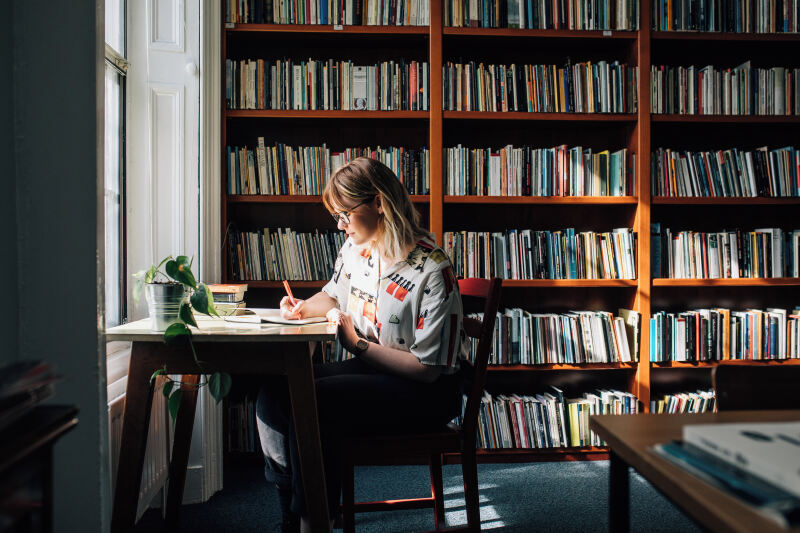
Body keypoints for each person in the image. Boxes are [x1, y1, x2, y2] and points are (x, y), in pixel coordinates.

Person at [256, 157, 469, 533]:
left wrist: (356, 345)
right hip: (376, 369)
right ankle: (300, 512)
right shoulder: (357, 249)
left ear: (379, 203)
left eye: (345, 214)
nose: (339, 225)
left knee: (316, 400)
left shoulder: (433, 269)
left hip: (428, 390)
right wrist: (302, 308)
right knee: (276, 392)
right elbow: (332, 297)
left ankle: (313, 521)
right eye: (336, 215)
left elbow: (428, 370)